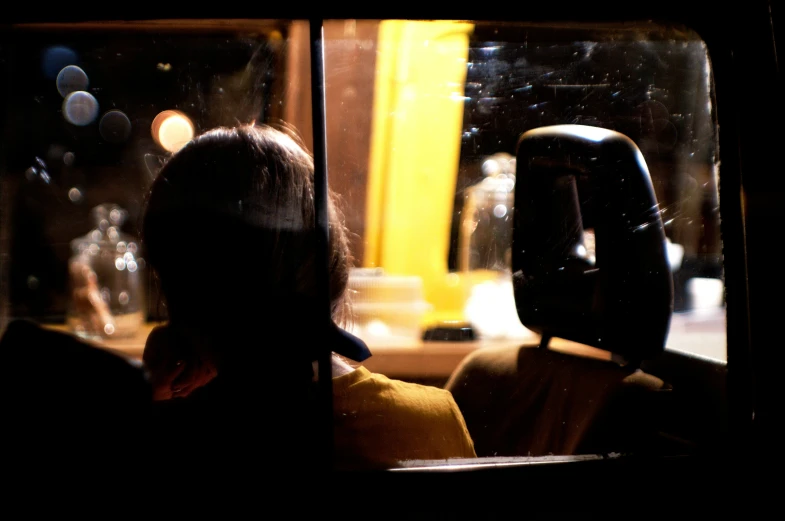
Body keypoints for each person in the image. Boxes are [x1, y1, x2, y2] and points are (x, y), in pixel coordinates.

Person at [140, 123, 476, 472]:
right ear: (331, 263)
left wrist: (151, 394)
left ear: (183, 297)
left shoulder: (165, 437)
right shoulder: (429, 421)